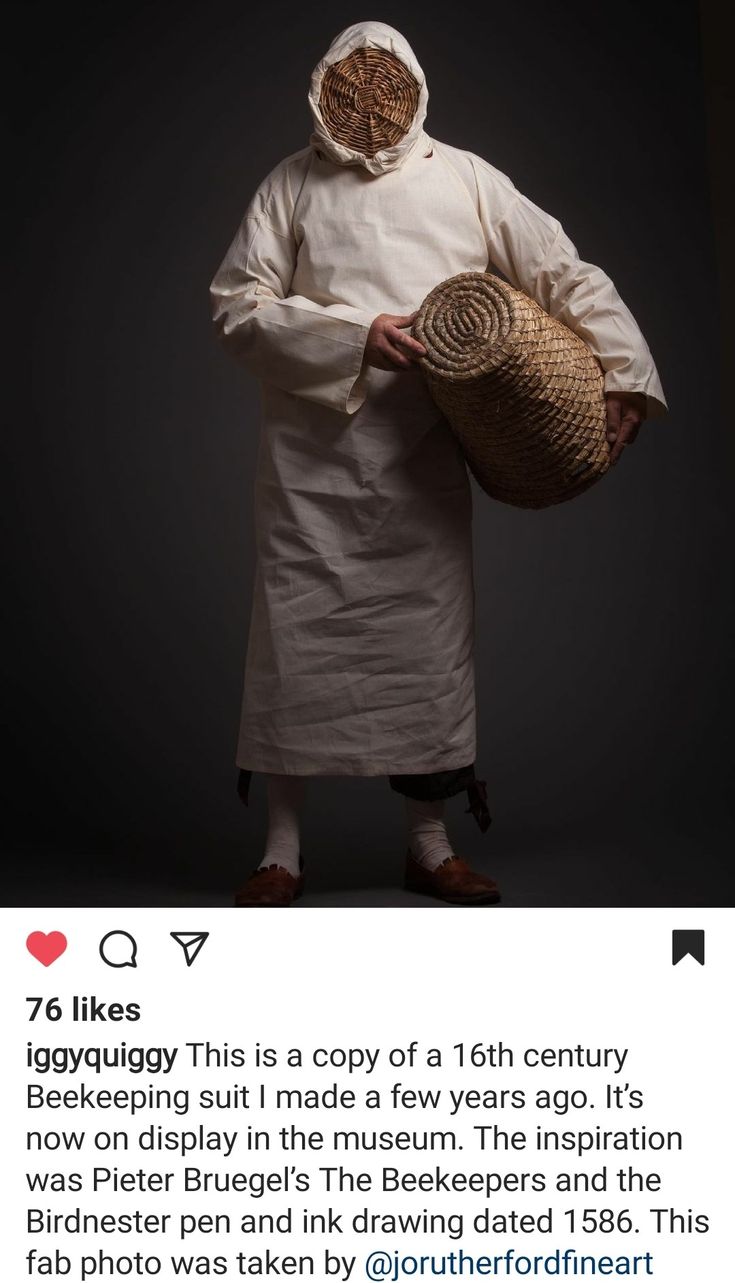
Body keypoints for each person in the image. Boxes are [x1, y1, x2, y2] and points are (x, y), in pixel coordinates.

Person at [210, 20, 666, 907]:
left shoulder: (465, 176)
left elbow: (561, 271)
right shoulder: (290, 182)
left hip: (422, 456)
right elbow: (236, 306)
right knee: (296, 646)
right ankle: (281, 848)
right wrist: (352, 336)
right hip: (312, 460)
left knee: (423, 648)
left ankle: (428, 842)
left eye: (384, 83)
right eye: (351, 85)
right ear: (323, 89)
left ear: (412, 86)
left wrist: (622, 370)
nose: (369, 101)